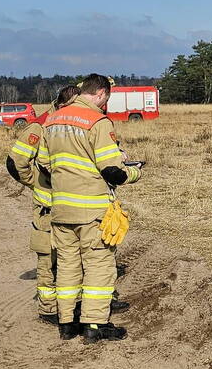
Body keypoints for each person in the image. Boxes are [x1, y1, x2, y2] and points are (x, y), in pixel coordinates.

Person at [42, 74, 142, 343]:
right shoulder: (97, 122)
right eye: (106, 98)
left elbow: (43, 164)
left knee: (66, 267)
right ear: (100, 93)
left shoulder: (52, 120)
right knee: (99, 266)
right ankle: (95, 325)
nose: (105, 104)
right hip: (91, 211)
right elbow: (112, 170)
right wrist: (134, 174)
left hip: (61, 209)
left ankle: (66, 323)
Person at [6, 85, 79, 324]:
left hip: (74, 206)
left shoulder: (70, 124)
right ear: (62, 105)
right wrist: (35, 184)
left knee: (77, 259)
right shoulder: (41, 126)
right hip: (49, 210)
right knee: (48, 261)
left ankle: (76, 304)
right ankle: (48, 309)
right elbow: (16, 160)